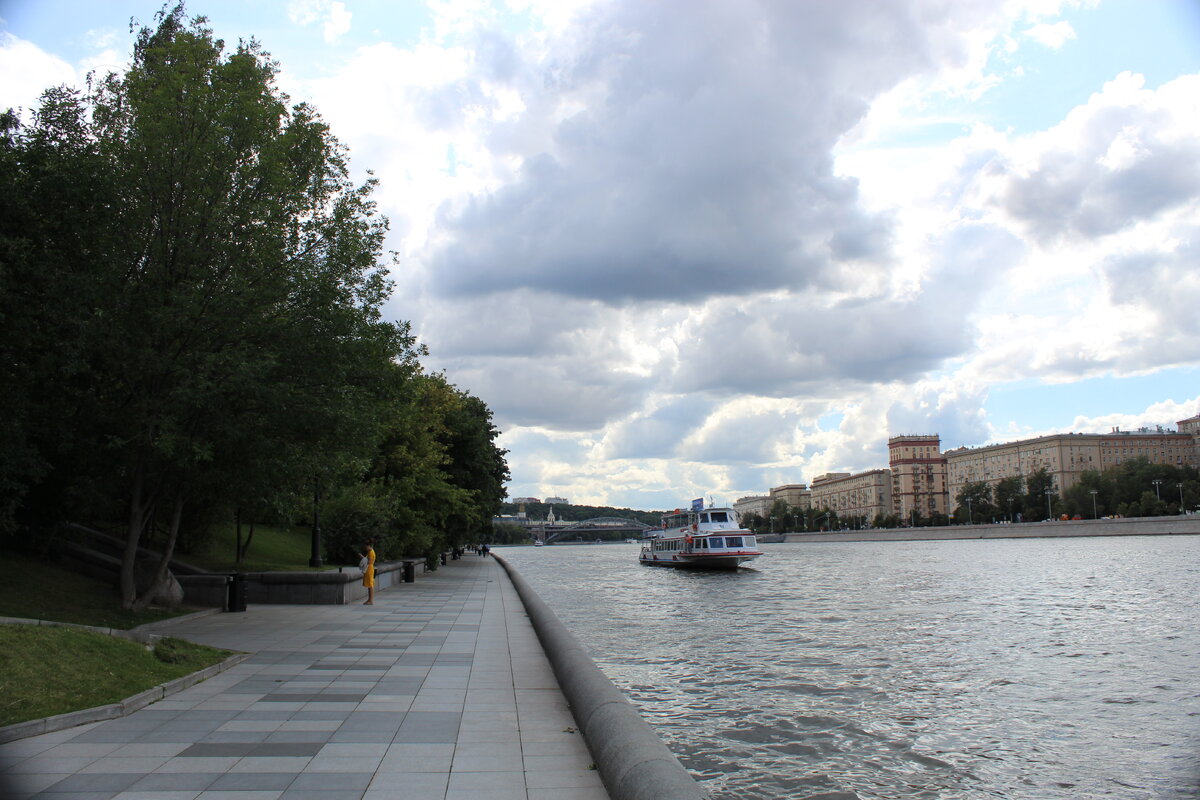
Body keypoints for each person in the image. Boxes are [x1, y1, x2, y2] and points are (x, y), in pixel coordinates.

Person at [361, 539, 376, 605]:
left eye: (365, 547)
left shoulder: (371, 552)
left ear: (368, 546)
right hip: (369, 569)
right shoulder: (371, 552)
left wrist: (361, 557)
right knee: (370, 585)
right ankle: (369, 599)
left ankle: (370, 600)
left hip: (369, 569)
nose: (365, 548)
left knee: (370, 585)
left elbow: (368, 562)